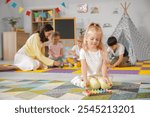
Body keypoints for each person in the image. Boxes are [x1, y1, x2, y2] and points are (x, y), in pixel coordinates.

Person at [71, 23, 112, 90]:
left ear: (100, 40)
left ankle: (100, 81)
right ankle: (80, 81)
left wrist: (104, 76)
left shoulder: (102, 51)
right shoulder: (83, 51)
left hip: (99, 75)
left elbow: (104, 65)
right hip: (89, 76)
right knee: (95, 86)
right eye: (92, 39)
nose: (94, 41)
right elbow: (83, 67)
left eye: (97, 39)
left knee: (106, 86)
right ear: (86, 38)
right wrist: (85, 79)